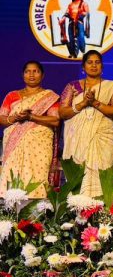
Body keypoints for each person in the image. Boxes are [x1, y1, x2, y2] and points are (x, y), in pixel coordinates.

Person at [60, 50, 113, 197]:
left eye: (97, 62)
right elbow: (62, 113)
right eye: (89, 62)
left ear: (102, 66)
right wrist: (82, 103)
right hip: (77, 139)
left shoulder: (111, 86)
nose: (93, 65)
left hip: (102, 139)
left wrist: (94, 102)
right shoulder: (72, 87)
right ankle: (77, 215)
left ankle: (101, 213)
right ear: (83, 67)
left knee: (101, 177)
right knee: (78, 178)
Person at [0, 61, 60, 198]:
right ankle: (9, 213)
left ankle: (37, 214)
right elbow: (2, 118)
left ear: (42, 75)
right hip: (14, 145)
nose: (31, 74)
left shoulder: (49, 97)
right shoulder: (11, 96)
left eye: (36, 71)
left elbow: (55, 120)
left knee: (37, 178)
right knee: (11, 177)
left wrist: (31, 117)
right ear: (23, 75)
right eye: (28, 71)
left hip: (39, 147)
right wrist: (15, 118)